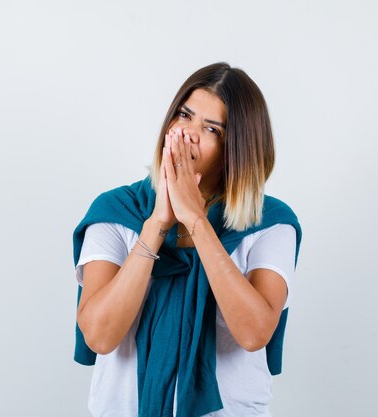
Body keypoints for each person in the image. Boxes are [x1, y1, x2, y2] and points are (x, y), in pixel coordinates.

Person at [72, 62, 302, 417]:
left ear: (237, 150)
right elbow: (100, 336)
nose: (188, 133)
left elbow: (254, 332)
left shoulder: (269, 223)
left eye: (212, 129)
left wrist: (196, 220)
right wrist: (157, 224)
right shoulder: (116, 210)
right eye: (184, 114)